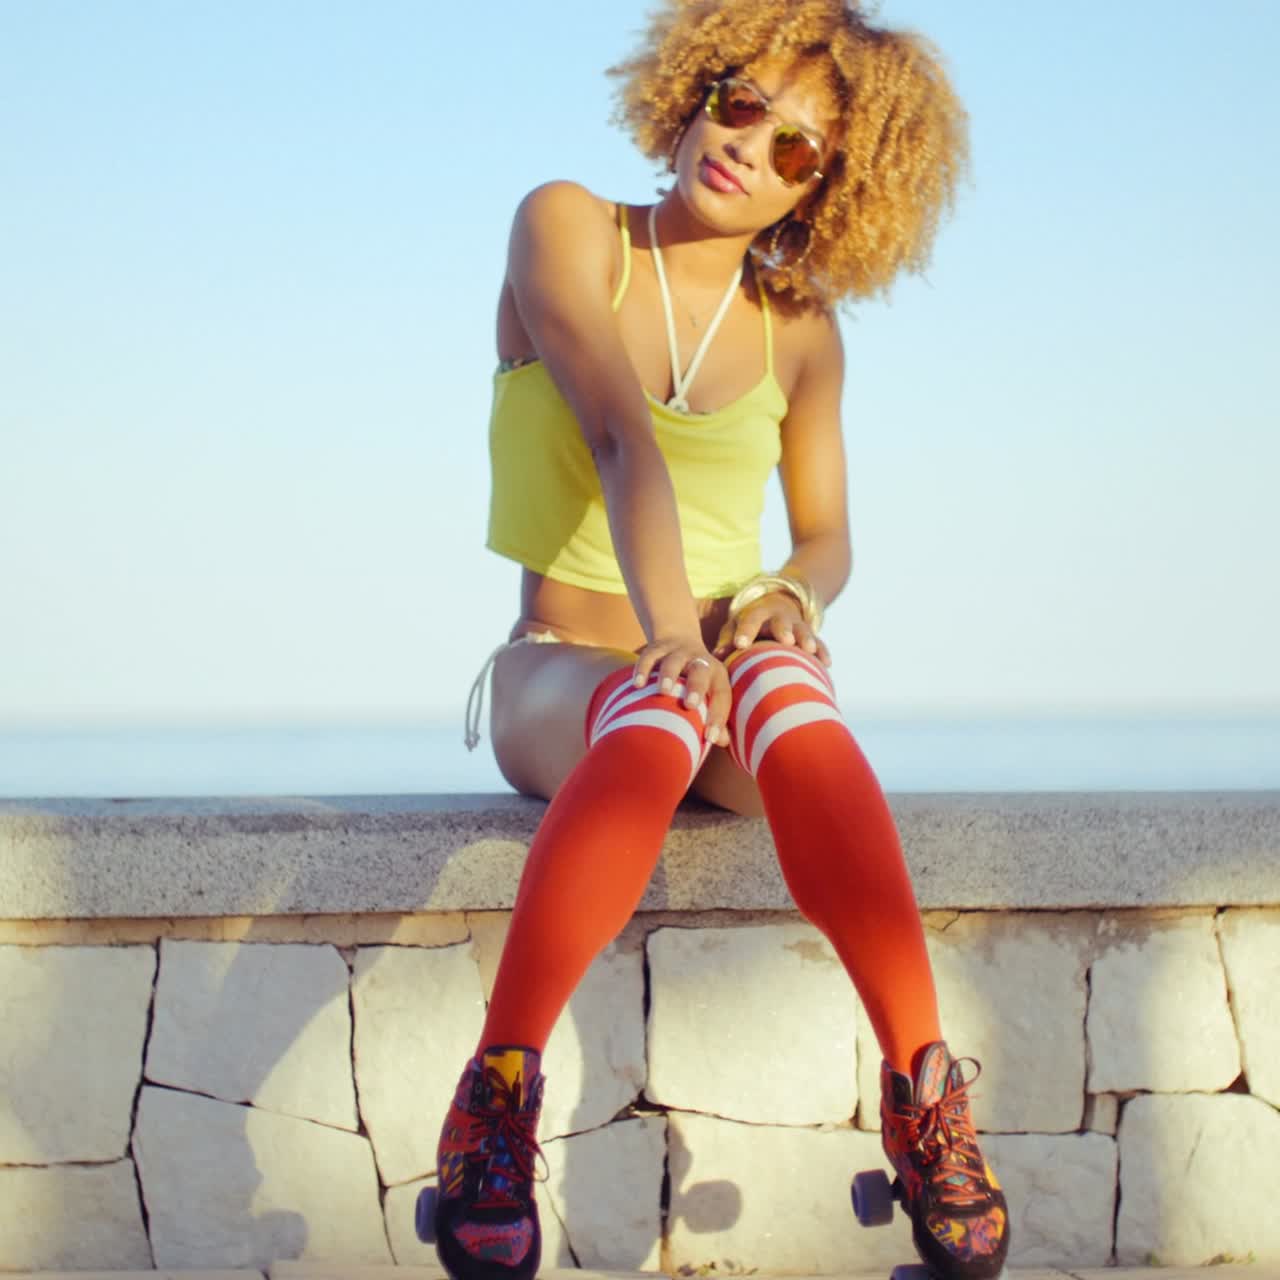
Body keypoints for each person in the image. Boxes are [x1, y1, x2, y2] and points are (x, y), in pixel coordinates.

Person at [426, 3, 1009, 1279]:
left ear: (825, 192)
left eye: (797, 150)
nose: (751, 145)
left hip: (719, 679)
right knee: (663, 705)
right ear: (696, 90)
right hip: (560, 671)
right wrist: (670, 639)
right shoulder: (569, 228)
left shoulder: (798, 328)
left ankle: (922, 1096)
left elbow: (827, 537)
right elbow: (622, 436)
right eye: (744, 103)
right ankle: (495, 1096)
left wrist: (785, 598)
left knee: (783, 684)